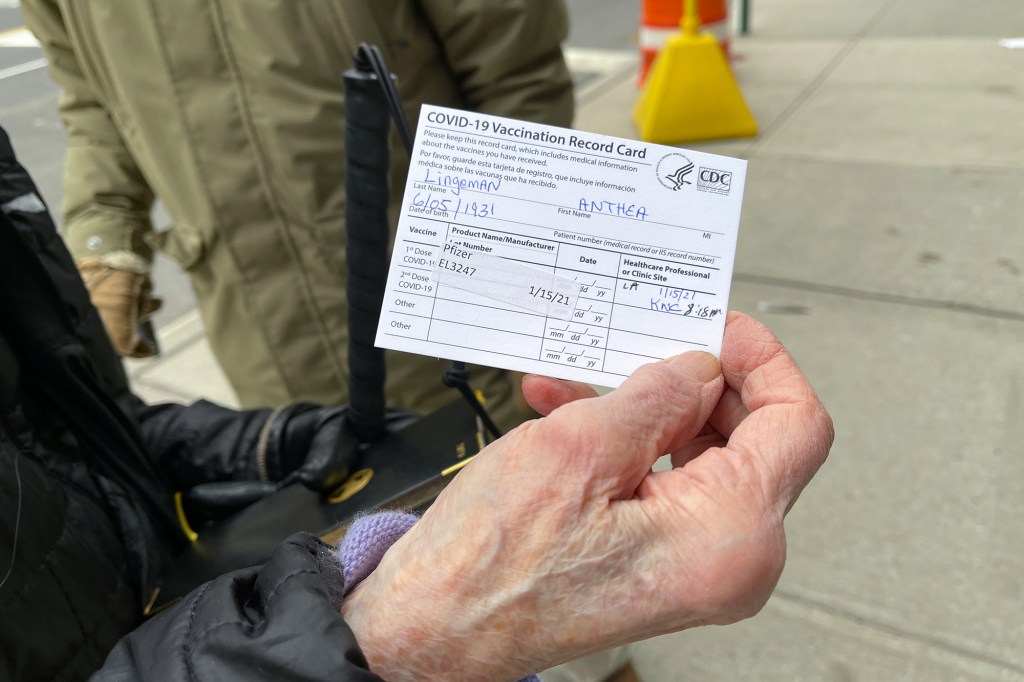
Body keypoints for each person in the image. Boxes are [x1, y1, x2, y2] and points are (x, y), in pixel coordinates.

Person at [0, 127, 835, 681]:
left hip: (457, 299)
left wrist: (268, 443)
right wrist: (387, 638)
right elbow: (100, 124)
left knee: (569, 532)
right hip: (266, 312)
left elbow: (63, 447)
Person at [20, 0, 575, 427]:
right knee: (337, 544)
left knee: (504, 527)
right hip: (259, 330)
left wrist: (511, 252)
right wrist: (106, 237)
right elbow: (95, 104)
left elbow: (514, 70)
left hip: (435, 293)